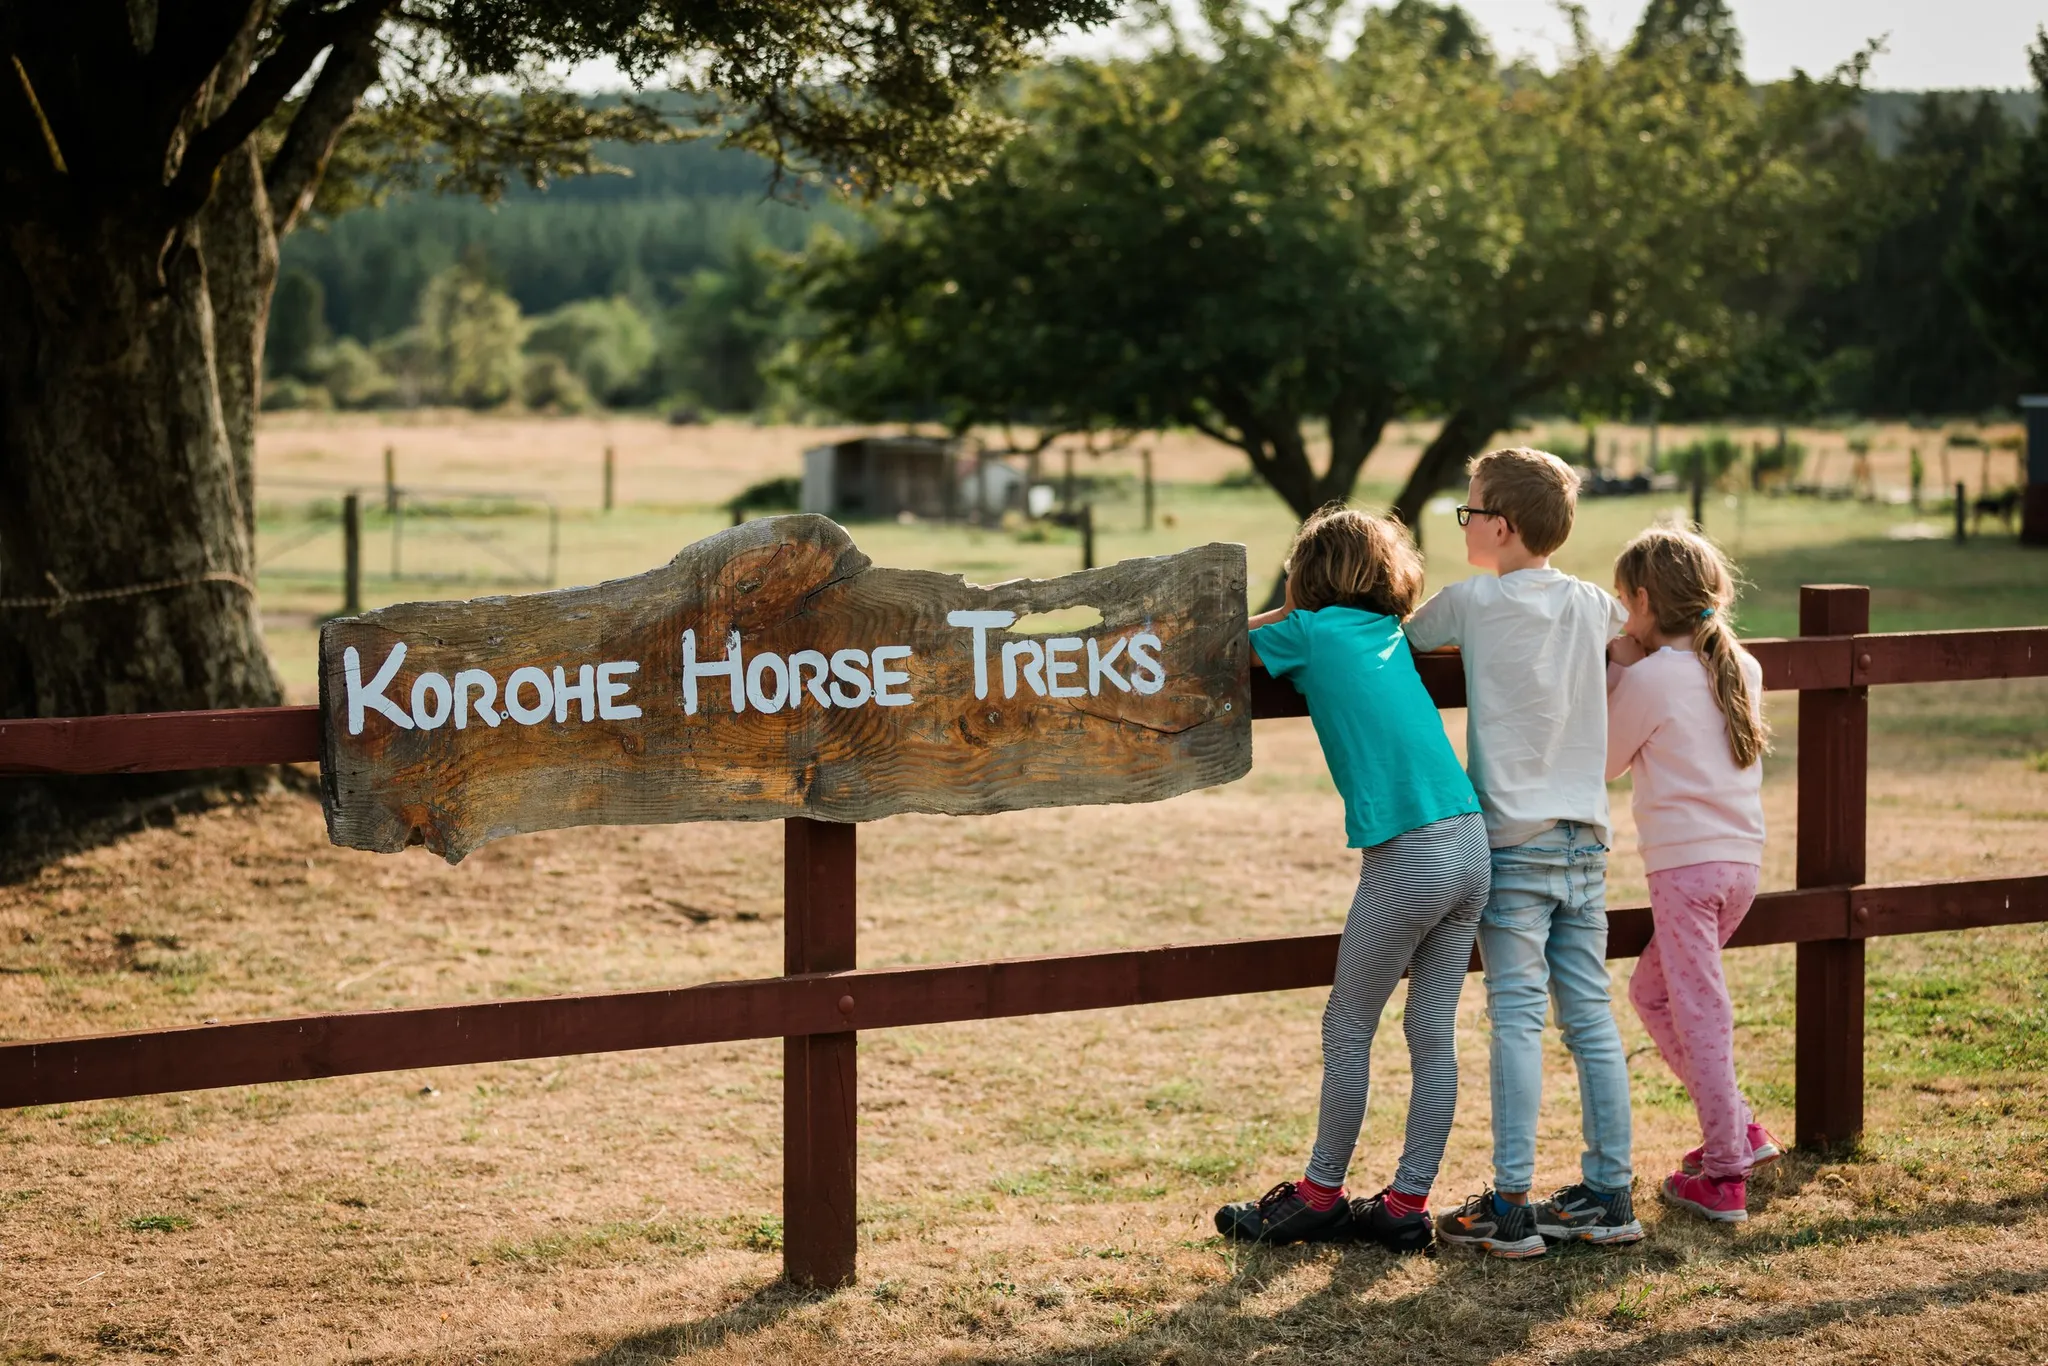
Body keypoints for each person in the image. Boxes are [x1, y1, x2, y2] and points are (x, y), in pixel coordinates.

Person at [1214, 507, 1488, 1254]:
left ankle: (1319, 1195)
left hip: (1409, 855)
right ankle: (1404, 1207)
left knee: (1348, 1024)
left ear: (1309, 577)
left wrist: (1288, 606)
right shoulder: (1388, 634)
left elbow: (1219, 644)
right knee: (1431, 1031)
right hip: (1469, 841)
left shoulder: (1309, 632)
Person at [1406, 448, 1642, 1257]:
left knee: (1515, 1020)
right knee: (1591, 1020)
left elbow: (1401, 639)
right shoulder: (1592, 604)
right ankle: (1611, 1193)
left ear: (1500, 527)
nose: (1464, 523)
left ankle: (1511, 1202)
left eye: (1469, 512)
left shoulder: (1470, 602)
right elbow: (1636, 637)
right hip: (1586, 843)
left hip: (1512, 844)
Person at [1607, 525, 1775, 1224]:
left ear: (1645, 602)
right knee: (1653, 991)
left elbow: (1607, 759)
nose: (1622, 619)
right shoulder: (1739, 664)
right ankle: (1742, 1130)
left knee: (1699, 1010)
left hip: (1683, 871)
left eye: (1625, 605)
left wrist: (1616, 669)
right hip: (1741, 866)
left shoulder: (1649, 676)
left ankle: (1725, 1173)